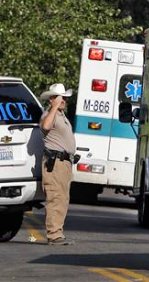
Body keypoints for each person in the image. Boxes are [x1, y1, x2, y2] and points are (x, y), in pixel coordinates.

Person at [39, 83, 76, 245]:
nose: (64, 101)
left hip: (65, 163)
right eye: (61, 98)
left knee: (62, 198)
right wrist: (54, 107)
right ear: (52, 99)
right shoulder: (49, 114)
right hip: (55, 162)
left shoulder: (61, 116)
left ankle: (58, 232)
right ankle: (54, 234)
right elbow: (45, 126)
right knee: (55, 197)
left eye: (65, 98)